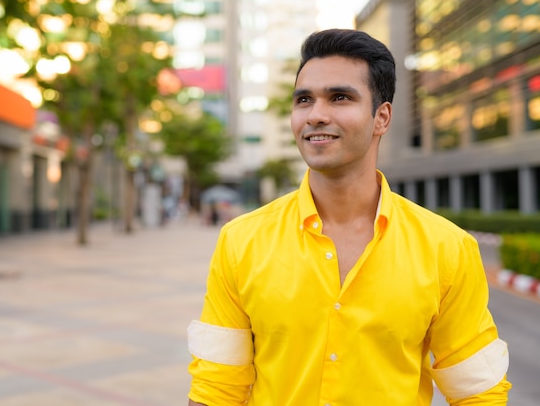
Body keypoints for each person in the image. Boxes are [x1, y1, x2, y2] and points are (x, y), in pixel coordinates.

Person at [186, 29, 511, 405]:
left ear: (381, 117)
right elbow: (216, 388)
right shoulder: (241, 240)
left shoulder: (447, 248)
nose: (316, 115)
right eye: (304, 100)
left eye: (340, 97)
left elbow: (477, 392)